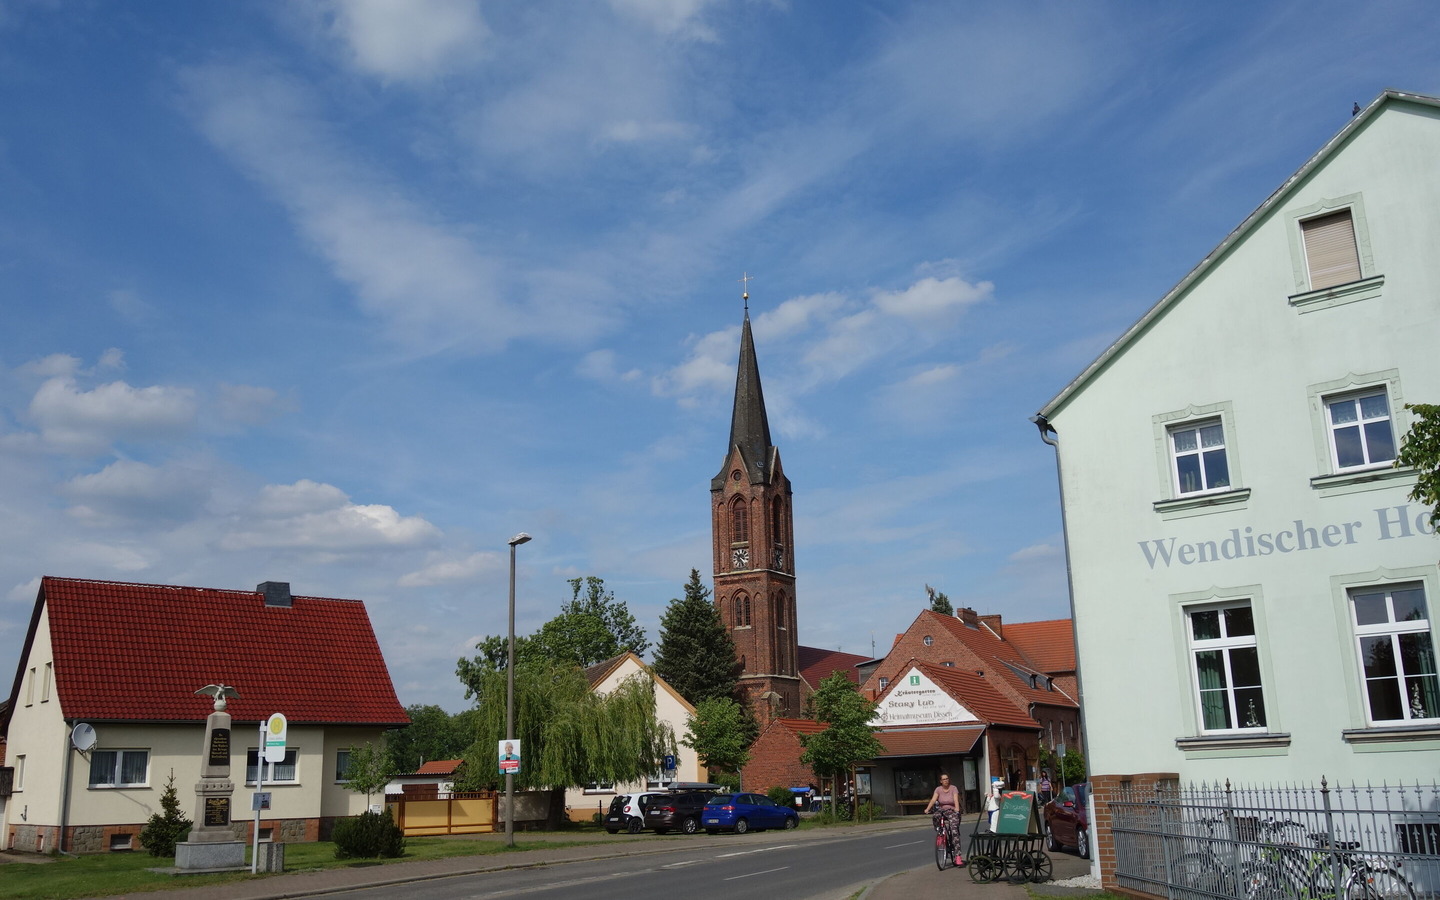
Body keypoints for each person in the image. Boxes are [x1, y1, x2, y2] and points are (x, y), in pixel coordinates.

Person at [924, 773, 965, 866]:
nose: (946, 780)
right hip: (942, 810)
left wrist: (957, 809)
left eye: (947, 779)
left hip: (952, 811)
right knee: (935, 816)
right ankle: (940, 831)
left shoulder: (953, 788)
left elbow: (956, 799)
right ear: (941, 781)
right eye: (944, 779)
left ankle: (958, 856)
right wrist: (927, 808)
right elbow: (933, 800)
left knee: (954, 832)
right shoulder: (938, 789)